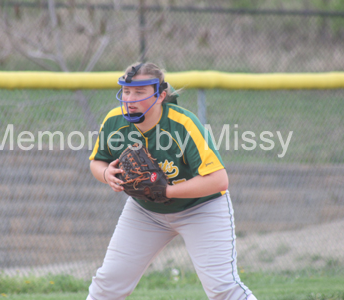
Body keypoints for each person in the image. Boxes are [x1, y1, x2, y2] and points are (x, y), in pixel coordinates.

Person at [87, 62, 257, 300]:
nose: (130, 98)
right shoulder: (115, 121)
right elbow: (97, 162)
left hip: (201, 209)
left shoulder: (182, 124)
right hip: (145, 212)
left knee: (223, 289)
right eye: (126, 91)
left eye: (139, 91)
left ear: (160, 95)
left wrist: (166, 191)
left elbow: (219, 180)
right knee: (108, 284)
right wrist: (106, 175)